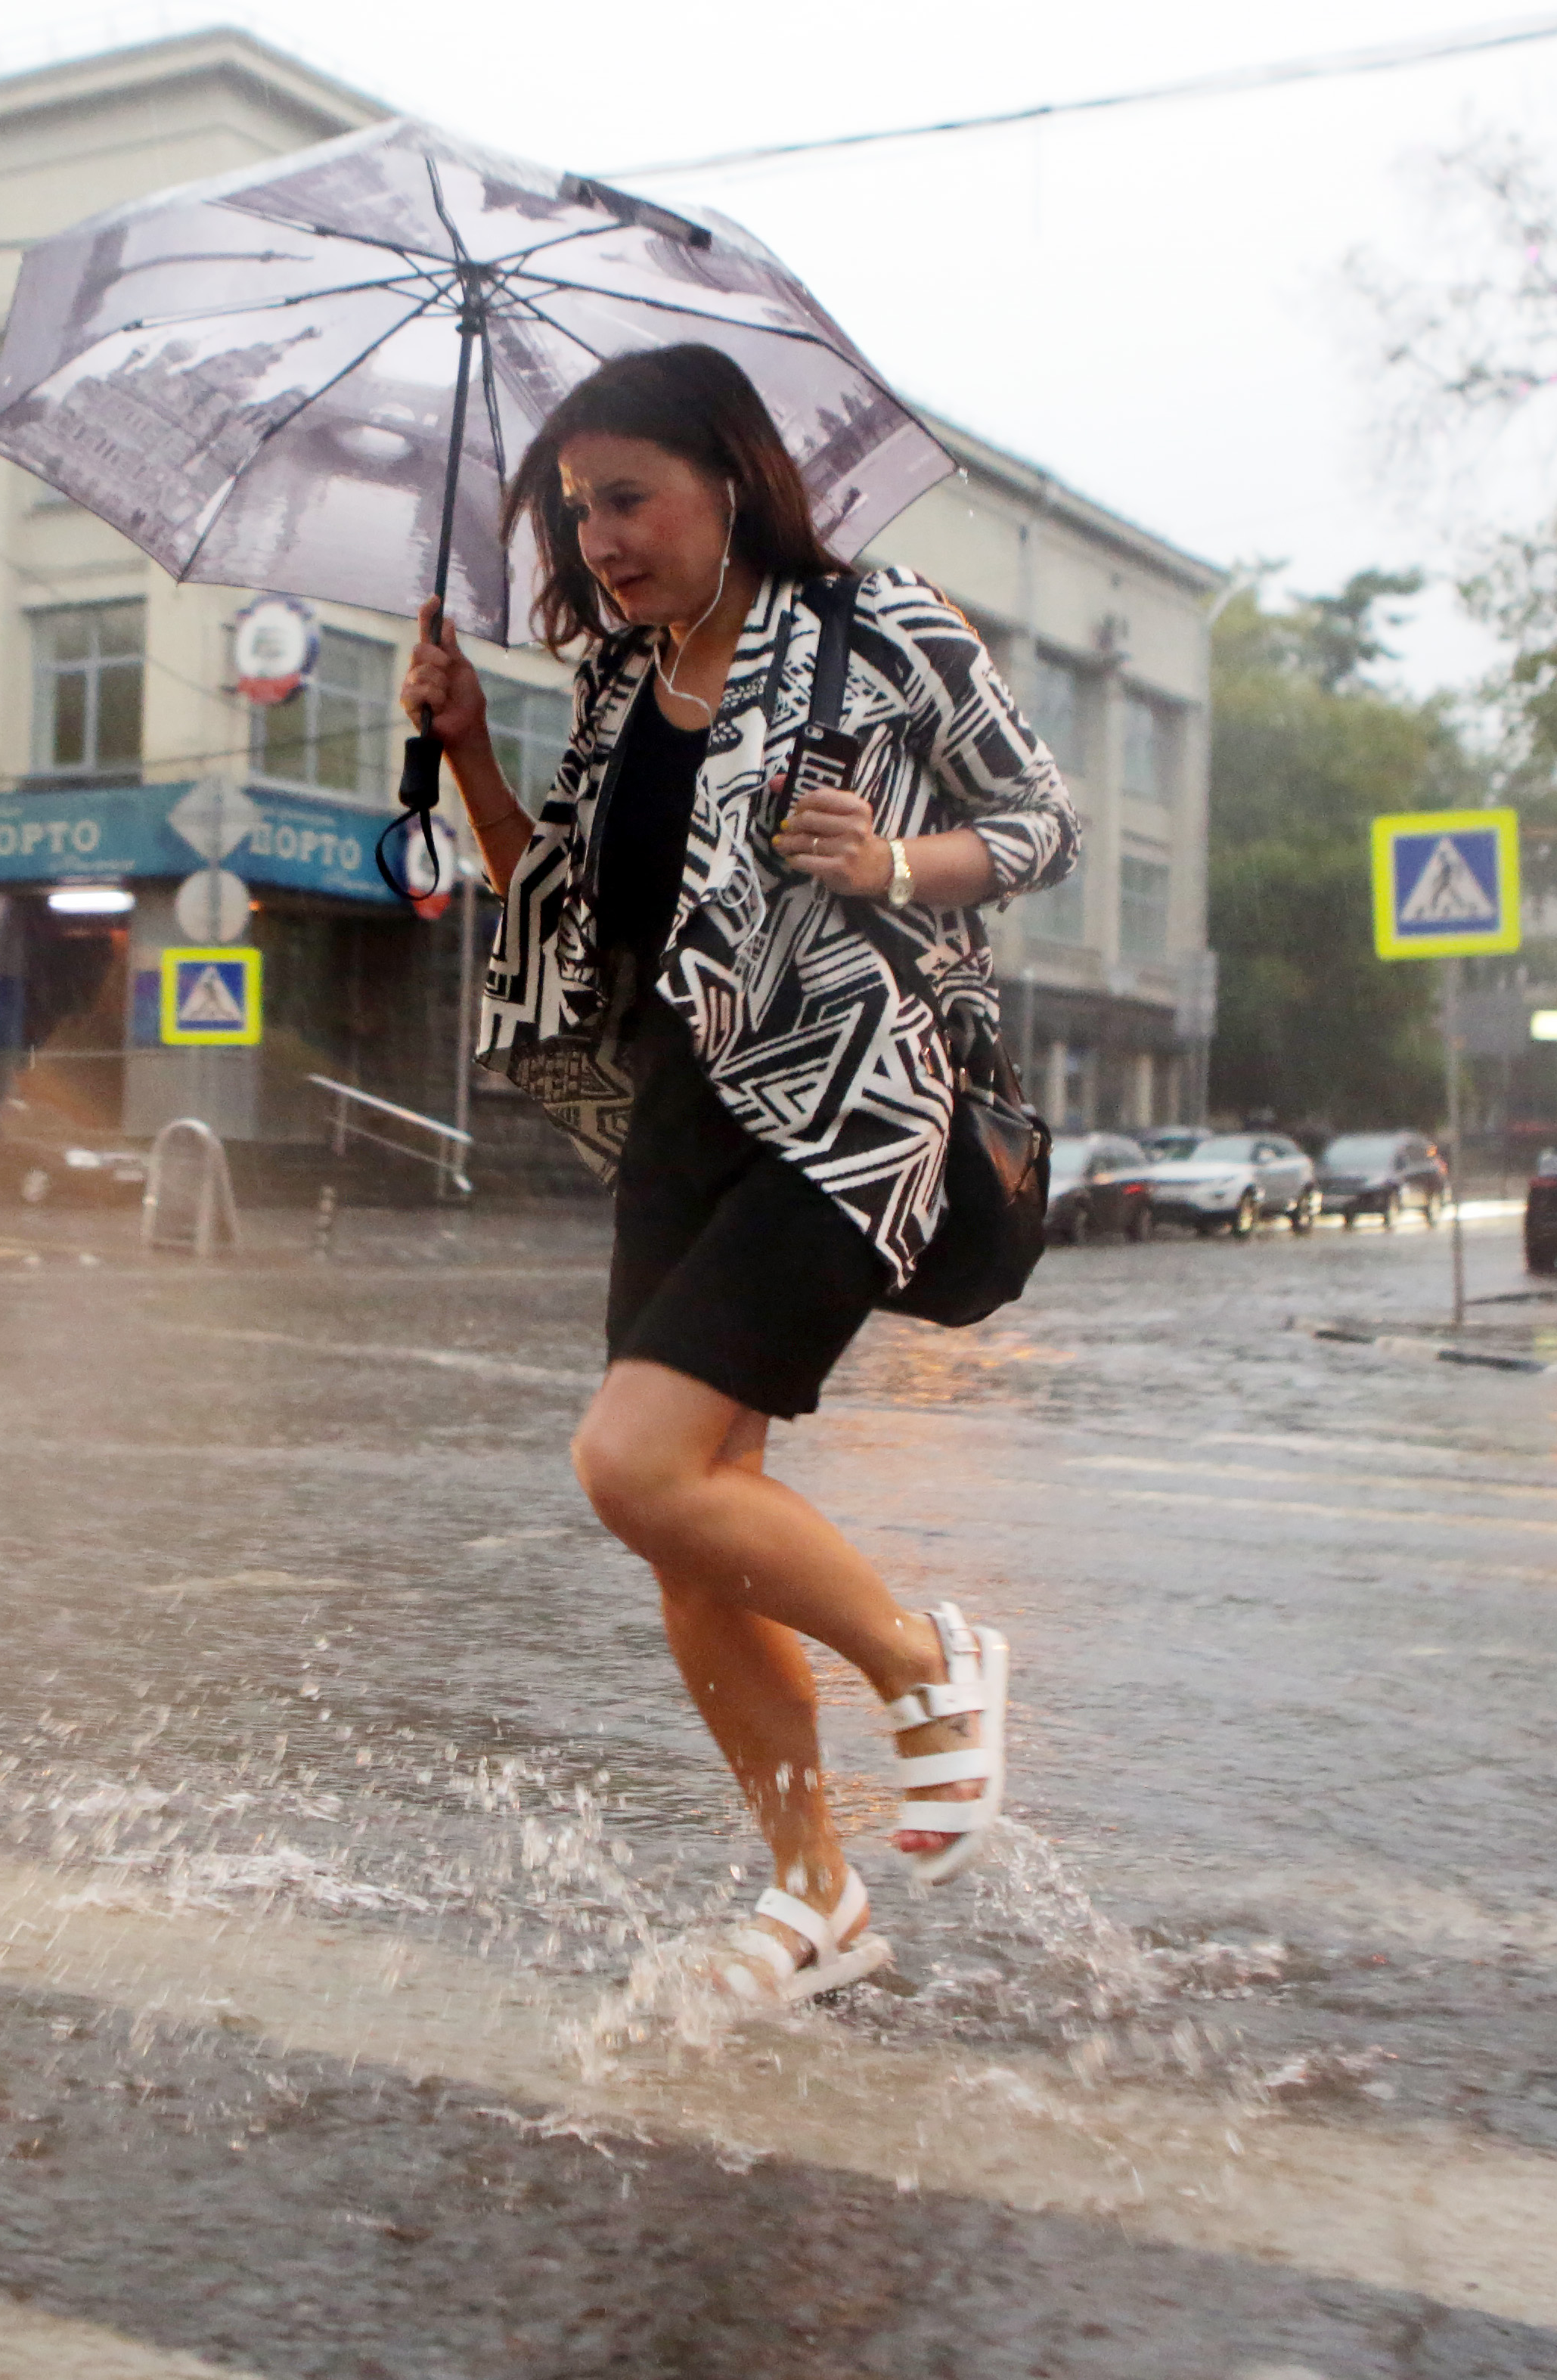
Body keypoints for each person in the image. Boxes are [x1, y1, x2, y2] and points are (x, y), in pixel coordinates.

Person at [402, 345, 1080, 2004]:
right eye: (576, 512)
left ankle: (927, 1664)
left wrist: (896, 858)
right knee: (687, 1536)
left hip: (850, 1100)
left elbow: (1036, 818)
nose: (600, 539)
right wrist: (473, 749)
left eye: (624, 498)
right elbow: (560, 909)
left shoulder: (879, 621)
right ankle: (813, 1896)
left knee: (630, 1464)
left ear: (728, 478)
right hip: (680, 1115)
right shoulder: (623, 684)